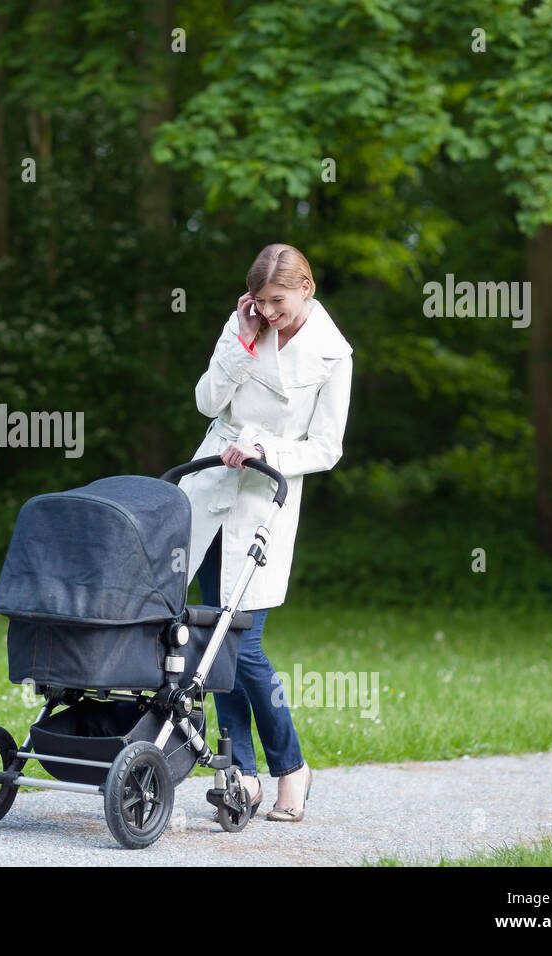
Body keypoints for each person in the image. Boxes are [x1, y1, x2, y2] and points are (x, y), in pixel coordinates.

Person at [177, 243, 353, 823]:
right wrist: (242, 339)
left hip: (265, 502)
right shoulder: (245, 327)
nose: (270, 312)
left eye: (279, 301)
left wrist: (264, 449)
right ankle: (241, 775)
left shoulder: (333, 355)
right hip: (209, 494)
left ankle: (290, 767)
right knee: (209, 642)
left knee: (241, 645)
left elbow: (327, 449)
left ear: (307, 286)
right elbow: (207, 401)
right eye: (261, 302)